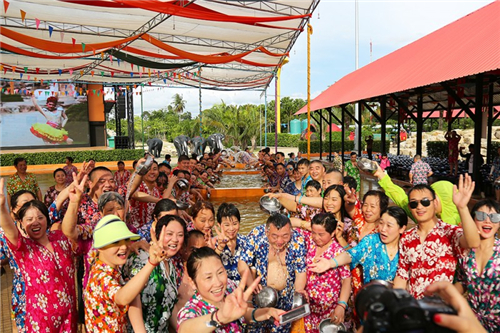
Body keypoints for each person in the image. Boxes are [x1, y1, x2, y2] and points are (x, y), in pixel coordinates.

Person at [0, 178, 77, 332]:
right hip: (39, 315)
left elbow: (63, 207)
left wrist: (76, 197)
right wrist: (1, 209)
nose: (35, 222)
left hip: (68, 317)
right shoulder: (23, 247)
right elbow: (10, 232)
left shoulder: (59, 239)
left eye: (40, 218)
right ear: (20, 220)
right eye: (29, 219)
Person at [393, 175, 481, 299]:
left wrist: (462, 208)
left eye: (425, 202)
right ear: (409, 208)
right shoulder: (407, 237)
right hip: (414, 309)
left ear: (435, 203)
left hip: (442, 309)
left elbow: (473, 242)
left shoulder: (450, 232)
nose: (419, 207)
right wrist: (397, 303)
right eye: (414, 204)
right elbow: (402, 275)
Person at [83, 214, 166, 332]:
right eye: (116, 242)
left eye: (126, 240)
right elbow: (122, 298)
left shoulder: (106, 265)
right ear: (100, 247)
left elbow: (130, 293)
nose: (123, 247)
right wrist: (151, 263)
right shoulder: (101, 276)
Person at [177, 247, 283, 333]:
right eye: (208, 277)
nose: (218, 283)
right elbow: (184, 329)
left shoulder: (229, 288)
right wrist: (220, 317)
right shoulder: (192, 310)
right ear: (192, 282)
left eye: (220, 272)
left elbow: (239, 314)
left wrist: (265, 312)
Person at [241, 214, 307, 333]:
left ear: (290, 232)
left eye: (285, 236)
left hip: (286, 299)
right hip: (261, 297)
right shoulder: (256, 235)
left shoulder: (298, 240)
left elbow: (301, 271)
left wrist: (299, 292)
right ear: (267, 232)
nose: (280, 241)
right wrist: (252, 284)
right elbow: (242, 263)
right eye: (275, 236)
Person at [310, 206, 408, 285]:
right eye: (381, 223)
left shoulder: (408, 248)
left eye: (389, 226)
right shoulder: (371, 241)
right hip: (370, 301)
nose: (383, 229)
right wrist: (330, 263)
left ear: (402, 228)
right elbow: (351, 255)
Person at [123, 215, 187, 332]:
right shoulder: (142, 258)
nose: (175, 239)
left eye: (180, 235)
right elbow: (132, 296)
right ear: (157, 235)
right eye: (169, 234)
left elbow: (167, 307)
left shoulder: (171, 265)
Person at [454, 195, 500, 332]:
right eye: (481, 216)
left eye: (494, 217)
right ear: (472, 219)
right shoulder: (466, 252)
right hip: (471, 323)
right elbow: (461, 282)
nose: (487, 221)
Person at [301, 213, 352, 332]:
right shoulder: (308, 242)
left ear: (333, 233)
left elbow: (346, 280)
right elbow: (289, 226)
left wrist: (341, 305)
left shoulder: (338, 252)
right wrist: (306, 225)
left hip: (330, 310)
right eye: (313, 232)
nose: (316, 237)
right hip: (308, 309)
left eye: (321, 234)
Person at [373, 161, 461, 226]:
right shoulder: (422, 214)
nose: (419, 207)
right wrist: (382, 176)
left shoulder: (457, 223)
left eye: (426, 201)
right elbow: (401, 198)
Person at [0, 189, 36, 333]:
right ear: (14, 210)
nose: (30, 207)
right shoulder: (4, 232)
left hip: (47, 290)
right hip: (22, 291)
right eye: (25, 204)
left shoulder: (42, 228)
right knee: (20, 327)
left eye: (33, 203)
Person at [213, 203, 253, 287]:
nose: (231, 228)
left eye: (235, 224)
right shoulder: (213, 243)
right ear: (219, 225)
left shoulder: (246, 241)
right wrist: (220, 247)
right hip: (222, 289)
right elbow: (209, 266)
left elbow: (253, 268)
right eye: (227, 225)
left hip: (243, 288)